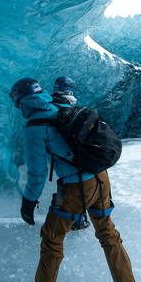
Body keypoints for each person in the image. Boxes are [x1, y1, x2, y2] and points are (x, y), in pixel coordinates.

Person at [9, 78, 140, 282]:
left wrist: (28, 202)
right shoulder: (60, 107)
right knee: (107, 232)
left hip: (76, 187)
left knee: (52, 235)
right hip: (100, 177)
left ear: (21, 101)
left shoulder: (34, 127)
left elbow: (37, 173)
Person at [50, 76, 90, 232]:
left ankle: (67, 218)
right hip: (73, 155)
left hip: (59, 155)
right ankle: (75, 220)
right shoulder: (69, 107)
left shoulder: (51, 106)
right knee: (75, 184)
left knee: (66, 182)